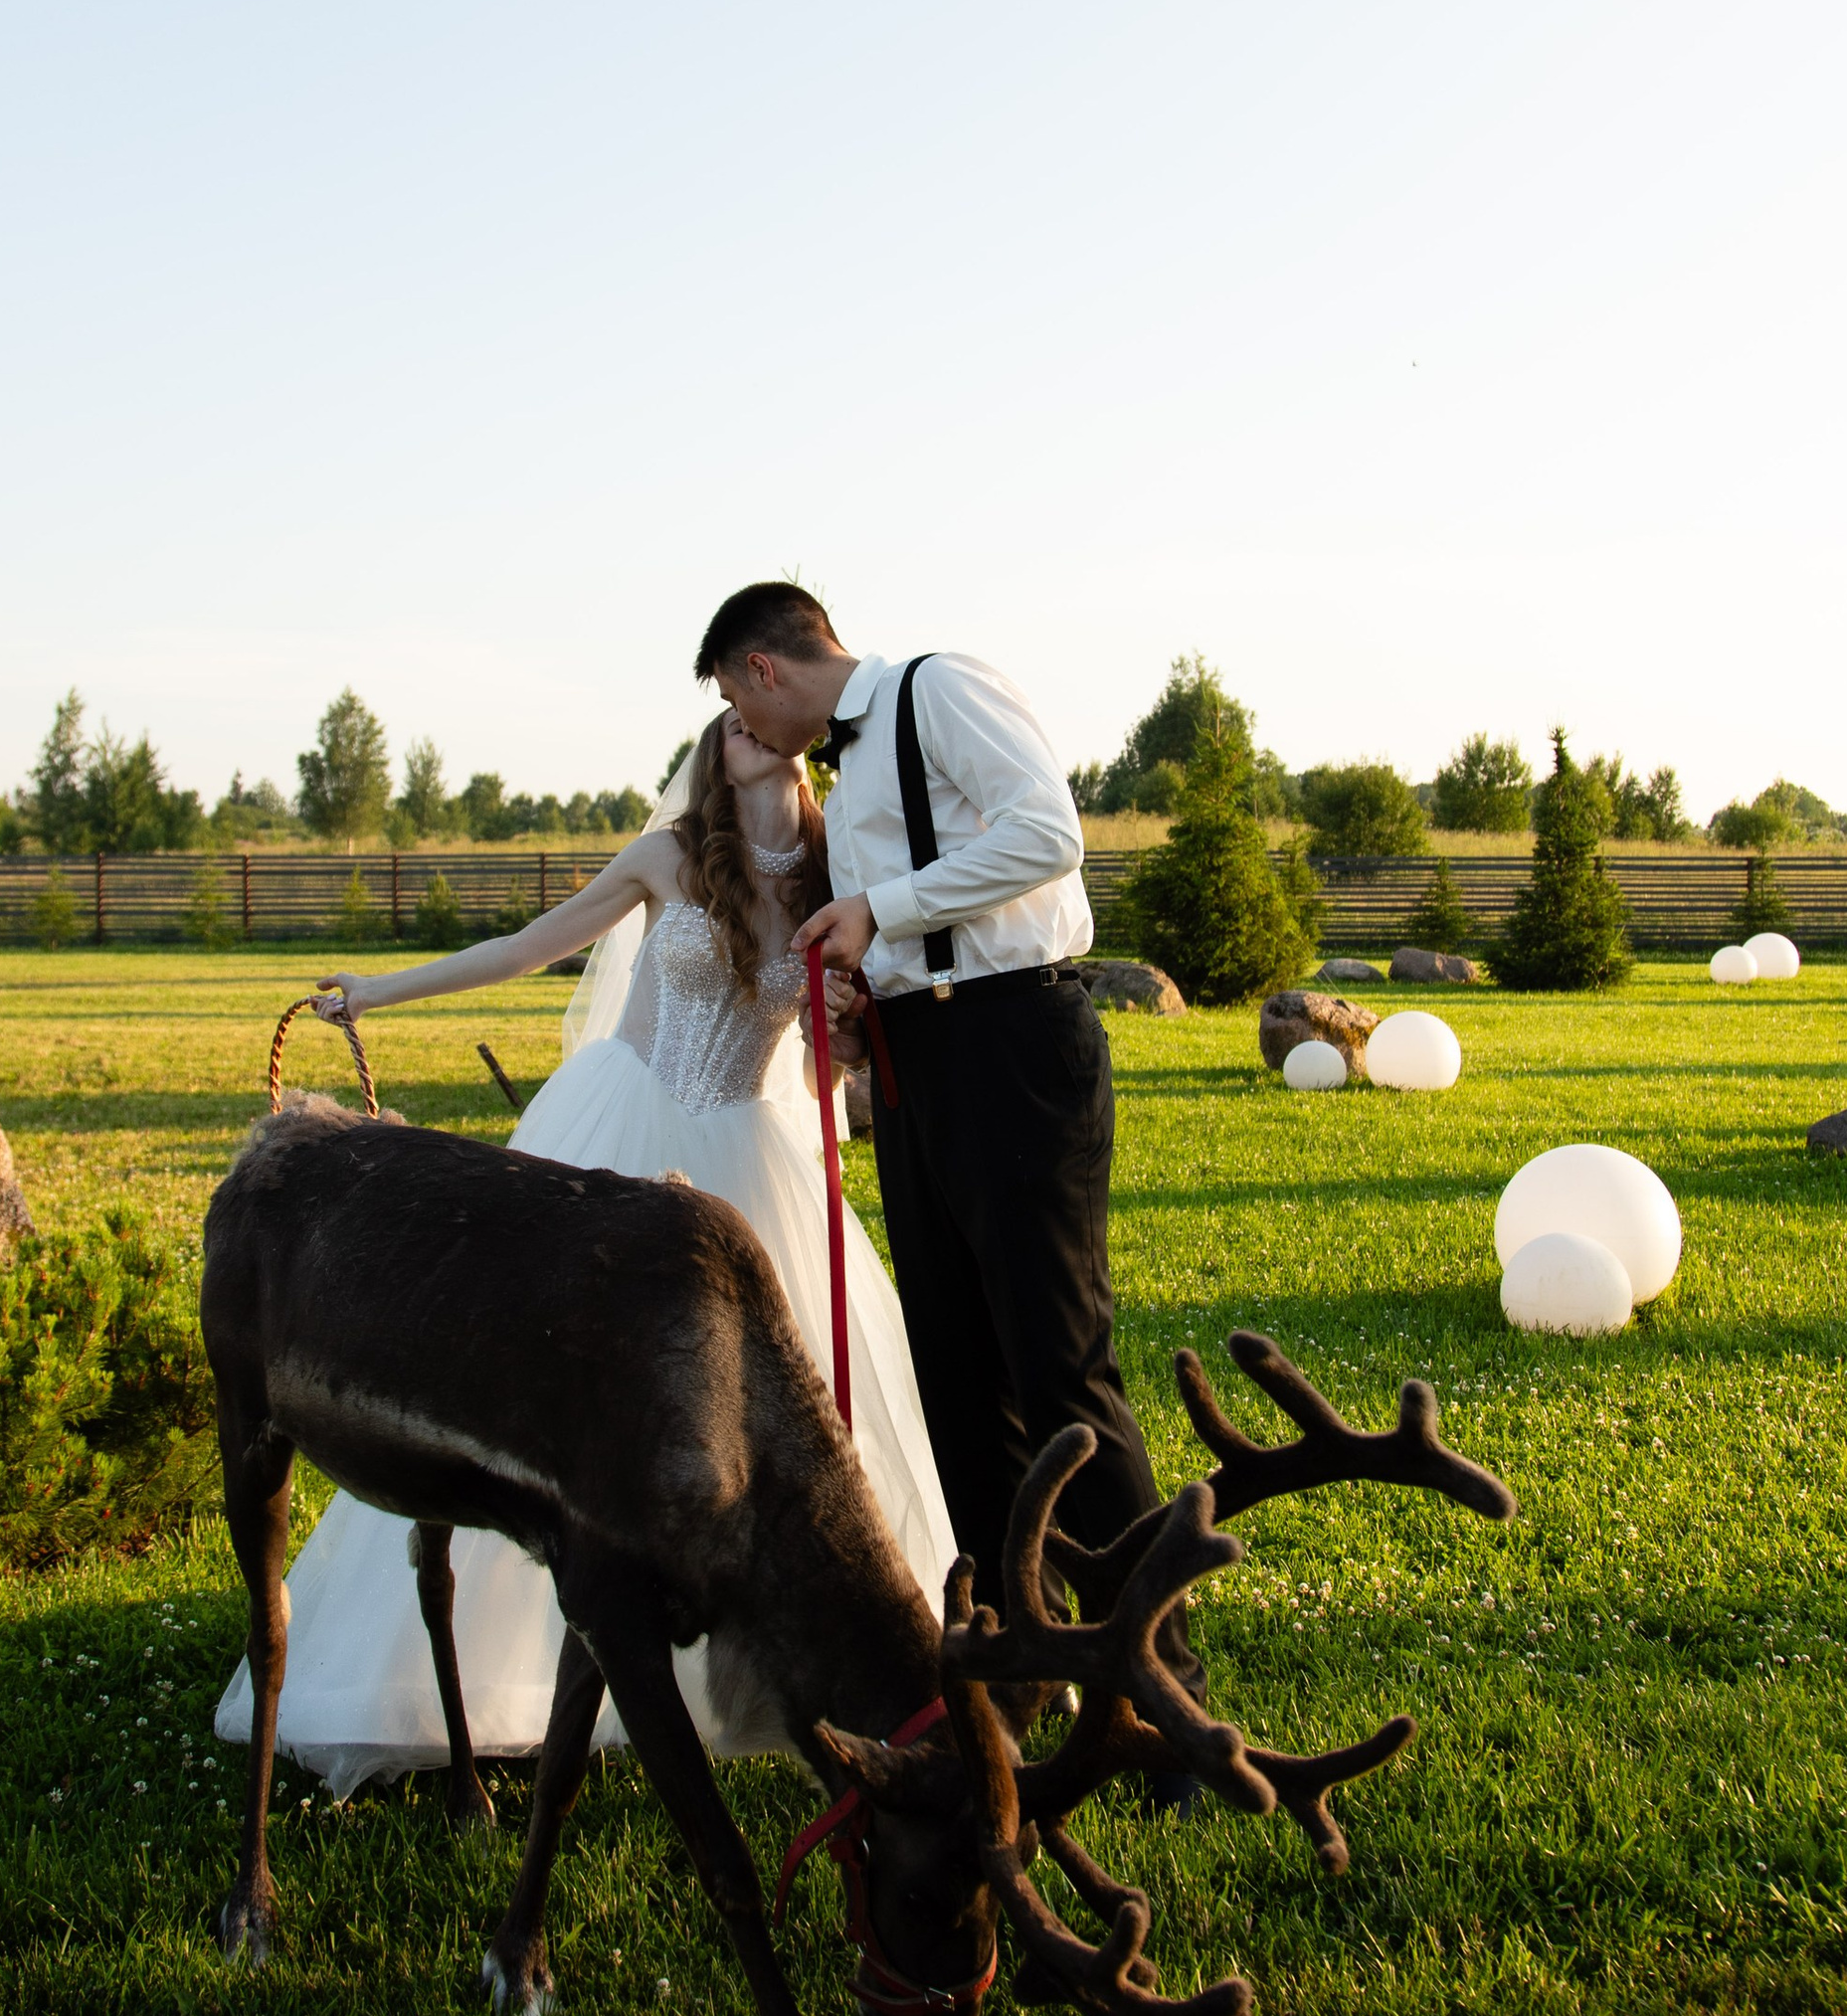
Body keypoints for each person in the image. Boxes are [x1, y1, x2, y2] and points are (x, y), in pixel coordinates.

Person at [211, 708, 954, 1796]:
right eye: (731, 728)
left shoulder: (837, 878)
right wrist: (376, 992)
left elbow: (812, 1084)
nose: (749, 737)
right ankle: (456, 1673)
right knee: (536, 1404)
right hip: (617, 1133)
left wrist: (837, 1020)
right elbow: (526, 949)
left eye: (765, 725)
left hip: (748, 1161)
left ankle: (782, 1673)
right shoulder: (668, 856)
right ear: (711, 754)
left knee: (774, 1432)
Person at [697, 580, 1162, 1592]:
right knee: (956, 1380)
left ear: (763, 668)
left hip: (1013, 1048)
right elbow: (901, 933)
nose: (747, 729)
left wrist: (880, 910)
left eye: (740, 703)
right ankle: (1011, 1663)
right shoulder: (844, 775)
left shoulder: (939, 689)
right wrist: (860, 1006)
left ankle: (1158, 1680)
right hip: (915, 1071)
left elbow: (1046, 836)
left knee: (1055, 1368)